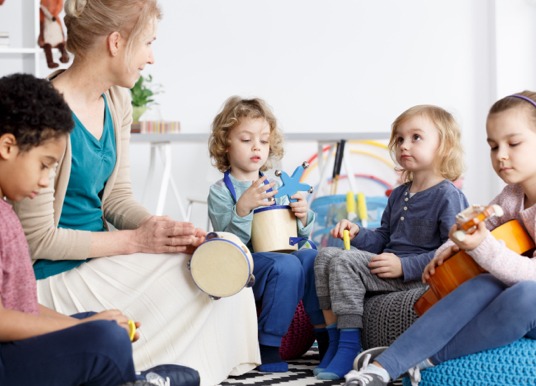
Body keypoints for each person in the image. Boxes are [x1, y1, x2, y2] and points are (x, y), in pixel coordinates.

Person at [12, 2, 260, 385]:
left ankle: (198, 370)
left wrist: (163, 231)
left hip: (101, 260)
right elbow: (38, 240)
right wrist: (135, 241)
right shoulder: (47, 113)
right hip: (54, 276)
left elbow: (117, 198)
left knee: (221, 256)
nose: (151, 58)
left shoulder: (117, 101)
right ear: (116, 42)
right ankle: (147, 369)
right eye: (147, 43)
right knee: (198, 278)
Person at [0, 72, 200, 386]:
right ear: (8, 147)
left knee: (109, 330)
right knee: (104, 338)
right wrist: (84, 330)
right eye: (44, 165)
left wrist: (85, 323)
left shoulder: (6, 214)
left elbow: (20, 306)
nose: (44, 181)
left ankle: (130, 379)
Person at [344, 90, 536, 386]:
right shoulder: (512, 195)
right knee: (483, 282)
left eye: (514, 143)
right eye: (493, 146)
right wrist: (449, 247)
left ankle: (423, 358)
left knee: (527, 295)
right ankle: (382, 367)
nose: (501, 155)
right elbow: (476, 228)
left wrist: (482, 248)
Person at [313, 105, 469, 380]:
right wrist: (359, 232)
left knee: (344, 261)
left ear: (443, 146)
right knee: (325, 255)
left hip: (418, 276)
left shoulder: (447, 195)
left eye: (416, 137)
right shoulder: (399, 194)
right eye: (399, 139)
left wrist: (404, 266)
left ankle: (350, 346)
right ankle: (333, 342)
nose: (404, 145)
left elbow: (452, 251)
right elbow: (384, 238)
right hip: (389, 268)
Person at [207, 96, 326, 372]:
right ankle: (268, 345)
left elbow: (295, 234)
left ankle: (325, 336)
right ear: (226, 144)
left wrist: (302, 215)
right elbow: (228, 244)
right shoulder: (221, 191)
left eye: (262, 140)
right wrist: (242, 208)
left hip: (279, 255)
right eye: (246, 140)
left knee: (311, 258)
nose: (256, 147)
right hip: (243, 264)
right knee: (285, 265)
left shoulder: (275, 185)